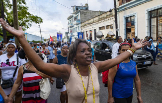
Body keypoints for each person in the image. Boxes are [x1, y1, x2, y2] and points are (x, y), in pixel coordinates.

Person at [0, 18, 146, 103]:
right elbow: (40, 65)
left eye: (89, 50)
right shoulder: (67, 70)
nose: (88, 53)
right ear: (74, 56)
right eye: (83, 51)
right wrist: (22, 39)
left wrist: (132, 49)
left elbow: (118, 59)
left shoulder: (96, 67)